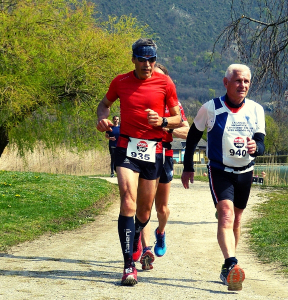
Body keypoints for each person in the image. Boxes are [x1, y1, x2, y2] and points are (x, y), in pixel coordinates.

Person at [96, 38, 181, 286]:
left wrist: (163, 122)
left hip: (153, 152)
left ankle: (136, 240)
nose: (147, 64)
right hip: (127, 148)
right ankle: (128, 266)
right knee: (127, 201)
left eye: (152, 59)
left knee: (144, 212)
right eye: (142, 59)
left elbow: (178, 118)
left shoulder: (165, 82)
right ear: (133, 59)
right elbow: (104, 105)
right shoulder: (120, 82)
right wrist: (102, 119)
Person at [181, 64, 266, 291]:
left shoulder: (256, 109)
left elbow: (261, 144)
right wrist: (188, 167)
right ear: (226, 82)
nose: (243, 85)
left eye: (247, 81)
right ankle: (232, 264)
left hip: (245, 171)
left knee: (237, 219)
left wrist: (255, 146)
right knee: (226, 214)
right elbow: (192, 137)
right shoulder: (210, 108)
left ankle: (227, 268)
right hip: (219, 170)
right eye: (238, 81)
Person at [139, 63, 189, 271]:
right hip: (143, 155)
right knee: (144, 206)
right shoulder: (141, 100)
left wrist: (164, 124)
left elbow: (188, 132)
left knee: (162, 208)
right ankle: (145, 249)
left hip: (166, 155)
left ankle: (160, 232)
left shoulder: (173, 106)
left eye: (159, 78)